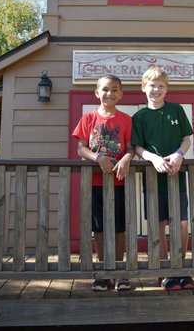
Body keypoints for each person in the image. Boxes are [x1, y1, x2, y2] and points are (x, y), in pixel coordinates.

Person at [130, 66, 194, 291]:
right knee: (158, 225)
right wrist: (152, 158)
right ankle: (165, 271)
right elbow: (137, 147)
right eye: (152, 85)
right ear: (143, 88)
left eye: (160, 86)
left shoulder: (176, 110)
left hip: (177, 177)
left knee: (181, 223)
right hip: (154, 180)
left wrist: (179, 154)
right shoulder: (139, 116)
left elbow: (186, 140)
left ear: (166, 89)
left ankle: (180, 268)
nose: (156, 89)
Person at [70, 74, 132, 292]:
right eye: (105, 89)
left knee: (119, 227)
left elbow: (131, 147)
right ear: (97, 93)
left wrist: (126, 158)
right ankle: (104, 272)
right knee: (100, 227)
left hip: (119, 182)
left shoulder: (126, 119)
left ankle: (120, 271)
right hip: (96, 183)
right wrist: (98, 158)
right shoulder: (88, 118)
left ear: (121, 94)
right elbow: (81, 148)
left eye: (115, 89)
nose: (110, 93)